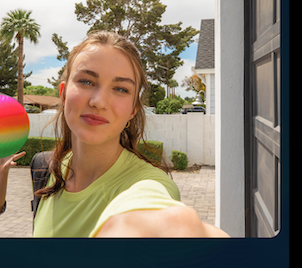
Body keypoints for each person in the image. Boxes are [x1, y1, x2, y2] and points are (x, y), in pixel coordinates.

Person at [32, 30, 227, 237]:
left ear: (133, 110)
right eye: (87, 81)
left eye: (121, 89)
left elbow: (152, 208)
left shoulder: (149, 183)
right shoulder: (47, 171)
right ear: (63, 94)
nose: (99, 101)